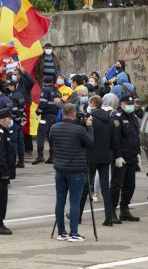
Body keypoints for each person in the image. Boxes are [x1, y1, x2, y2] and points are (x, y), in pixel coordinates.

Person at [51, 103, 93, 241]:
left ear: (62, 113)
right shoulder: (79, 130)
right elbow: (91, 144)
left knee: (60, 201)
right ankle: (73, 233)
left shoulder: (54, 128)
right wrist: (90, 128)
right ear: (74, 114)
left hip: (60, 168)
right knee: (74, 202)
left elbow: (52, 145)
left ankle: (61, 232)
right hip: (76, 169)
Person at [77, 96, 116, 226]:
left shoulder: (90, 119)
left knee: (85, 186)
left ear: (92, 104)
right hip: (105, 156)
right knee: (105, 187)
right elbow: (114, 140)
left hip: (92, 156)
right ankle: (109, 217)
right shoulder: (109, 119)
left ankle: (78, 216)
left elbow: (85, 138)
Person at [111, 94, 141, 223]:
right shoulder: (117, 118)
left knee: (130, 185)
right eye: (128, 104)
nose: (131, 106)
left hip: (132, 156)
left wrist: (138, 152)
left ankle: (125, 210)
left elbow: (136, 136)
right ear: (122, 105)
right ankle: (111, 211)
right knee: (116, 185)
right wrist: (117, 156)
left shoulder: (133, 117)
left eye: (131, 104)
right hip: (121, 157)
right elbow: (115, 139)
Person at [33, 86, 61, 164]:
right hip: (55, 117)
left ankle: (40, 156)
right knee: (51, 136)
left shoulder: (45, 90)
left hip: (46, 116)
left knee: (40, 134)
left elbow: (43, 103)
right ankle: (52, 157)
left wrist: (38, 112)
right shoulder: (58, 91)